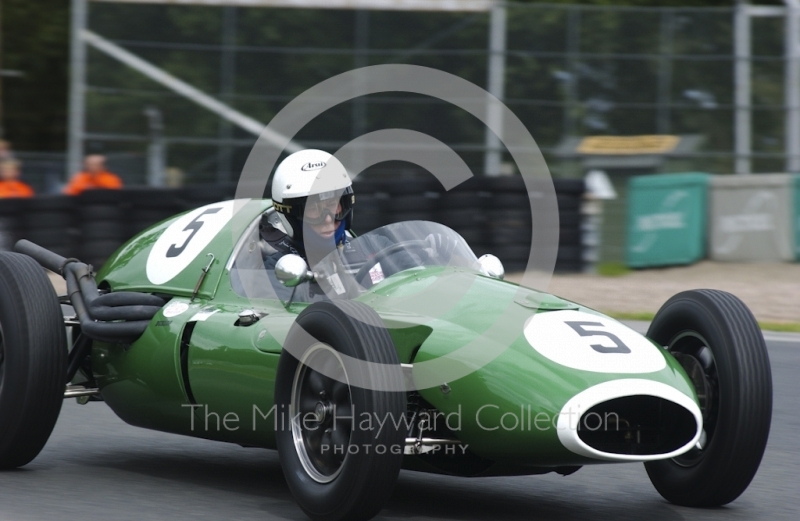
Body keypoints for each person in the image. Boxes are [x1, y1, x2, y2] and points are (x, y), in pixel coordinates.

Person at [261, 149, 354, 270]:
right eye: (313, 208)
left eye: (332, 204)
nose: (327, 219)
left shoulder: (373, 248)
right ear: (291, 216)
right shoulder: (275, 271)